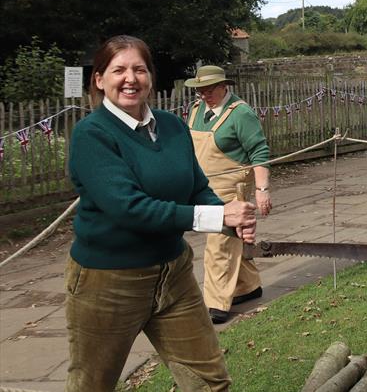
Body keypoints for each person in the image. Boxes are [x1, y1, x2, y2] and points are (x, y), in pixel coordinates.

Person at [66, 35, 257, 392]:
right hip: (108, 283)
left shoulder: (171, 126)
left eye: (139, 69)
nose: (130, 78)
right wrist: (216, 219)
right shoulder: (91, 136)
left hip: (174, 275)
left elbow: (197, 187)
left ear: (151, 77)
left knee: (210, 382)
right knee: (91, 386)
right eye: (118, 70)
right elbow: (131, 209)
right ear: (99, 79)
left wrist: (231, 218)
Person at [184, 65, 272, 324]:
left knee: (219, 245)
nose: (204, 94)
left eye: (209, 89)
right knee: (232, 239)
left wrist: (262, 191)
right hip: (203, 189)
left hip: (233, 191)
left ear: (225, 86)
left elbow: (260, 153)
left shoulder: (241, 113)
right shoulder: (196, 110)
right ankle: (249, 287)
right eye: (199, 90)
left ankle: (215, 305)